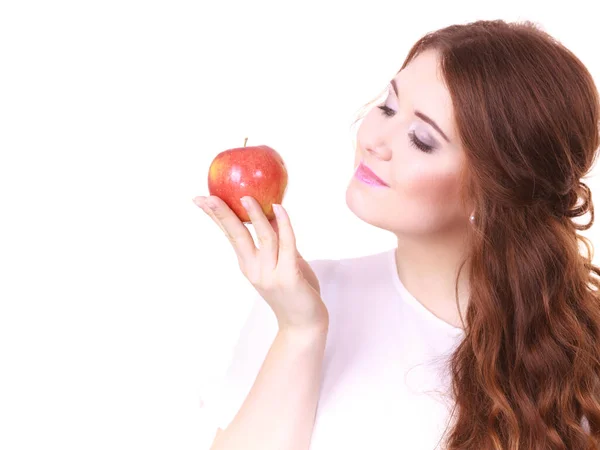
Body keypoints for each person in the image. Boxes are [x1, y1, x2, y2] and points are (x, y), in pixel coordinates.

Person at [193, 19, 600, 450]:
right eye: (388, 106)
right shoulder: (303, 297)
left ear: (494, 188)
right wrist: (300, 330)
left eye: (422, 139)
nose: (375, 140)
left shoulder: (579, 354)